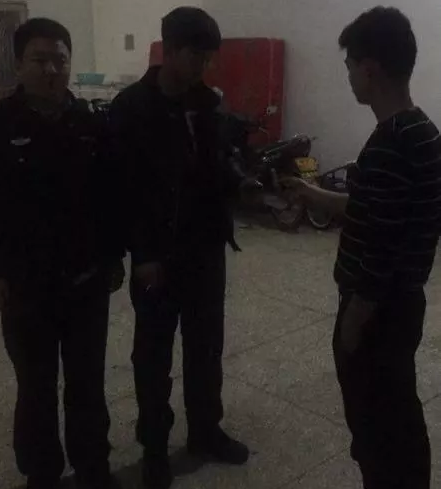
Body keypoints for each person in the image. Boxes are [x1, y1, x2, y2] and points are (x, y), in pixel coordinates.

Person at [288, 7, 440, 489]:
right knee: (399, 416)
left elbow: (379, 250)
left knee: (378, 432)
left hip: (377, 313)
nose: (349, 77)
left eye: (350, 66)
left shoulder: (388, 145)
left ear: (369, 68)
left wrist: (352, 323)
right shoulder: (421, 131)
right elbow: (378, 211)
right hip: (404, 304)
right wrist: (313, 194)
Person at [110, 7, 256, 489]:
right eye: (197, 56)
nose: (204, 66)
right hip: (157, 256)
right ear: (169, 50)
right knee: (153, 357)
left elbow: (218, 166)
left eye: (209, 58)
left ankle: (205, 430)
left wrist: (241, 179)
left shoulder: (208, 103)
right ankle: (154, 447)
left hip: (205, 250)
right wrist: (143, 254)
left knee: (205, 349)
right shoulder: (131, 108)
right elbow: (123, 191)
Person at [0, 18, 125, 489]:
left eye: (60, 59)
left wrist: (113, 258)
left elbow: (111, 200)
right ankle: (42, 473)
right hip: (24, 287)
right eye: (40, 60)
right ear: (19, 64)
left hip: (85, 282)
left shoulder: (91, 123)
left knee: (87, 383)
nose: (51, 69)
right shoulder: (3, 124)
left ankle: (93, 467)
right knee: (35, 388)